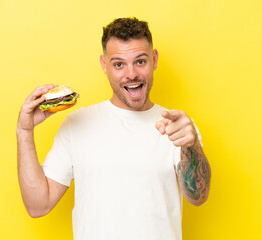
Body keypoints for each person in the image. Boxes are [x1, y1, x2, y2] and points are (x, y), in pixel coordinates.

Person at [17, 17, 211, 240]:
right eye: (119, 64)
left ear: (154, 59)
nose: (131, 74)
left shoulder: (178, 127)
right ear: (104, 65)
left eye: (140, 61)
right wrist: (24, 132)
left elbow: (199, 196)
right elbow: (38, 206)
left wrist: (192, 145)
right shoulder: (77, 124)